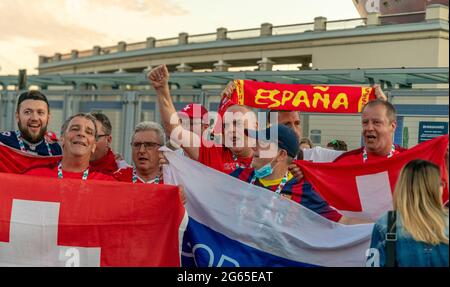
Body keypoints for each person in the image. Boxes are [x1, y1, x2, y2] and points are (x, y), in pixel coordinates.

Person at [230, 124, 369, 225]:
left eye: (263, 143)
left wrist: (383, 227)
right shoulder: (238, 177)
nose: (254, 146)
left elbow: (344, 221)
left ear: (281, 155)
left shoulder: (302, 191)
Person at [148, 64, 255, 174]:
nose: (231, 129)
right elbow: (175, 131)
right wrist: (162, 90)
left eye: (237, 123)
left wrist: (245, 86)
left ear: (255, 126)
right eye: (225, 125)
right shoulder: (213, 153)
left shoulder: (269, 155)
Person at [367, 160, 449, 267]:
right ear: (434, 189)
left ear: (402, 188)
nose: (443, 187)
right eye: (441, 184)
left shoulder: (386, 224)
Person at [23, 113, 115, 181]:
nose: (81, 134)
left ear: (94, 146)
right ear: (62, 139)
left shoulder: (107, 182)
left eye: (89, 132)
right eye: (75, 129)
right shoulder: (35, 176)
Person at [334, 99, 407, 163]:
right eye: (365, 122)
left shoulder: (408, 161)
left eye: (376, 122)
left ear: (393, 126)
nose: (369, 128)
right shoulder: (344, 162)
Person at [0, 90, 61, 156]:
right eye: (27, 112)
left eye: (40, 112)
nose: (34, 118)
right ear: (17, 116)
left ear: (48, 118)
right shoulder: (3, 142)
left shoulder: (57, 150)